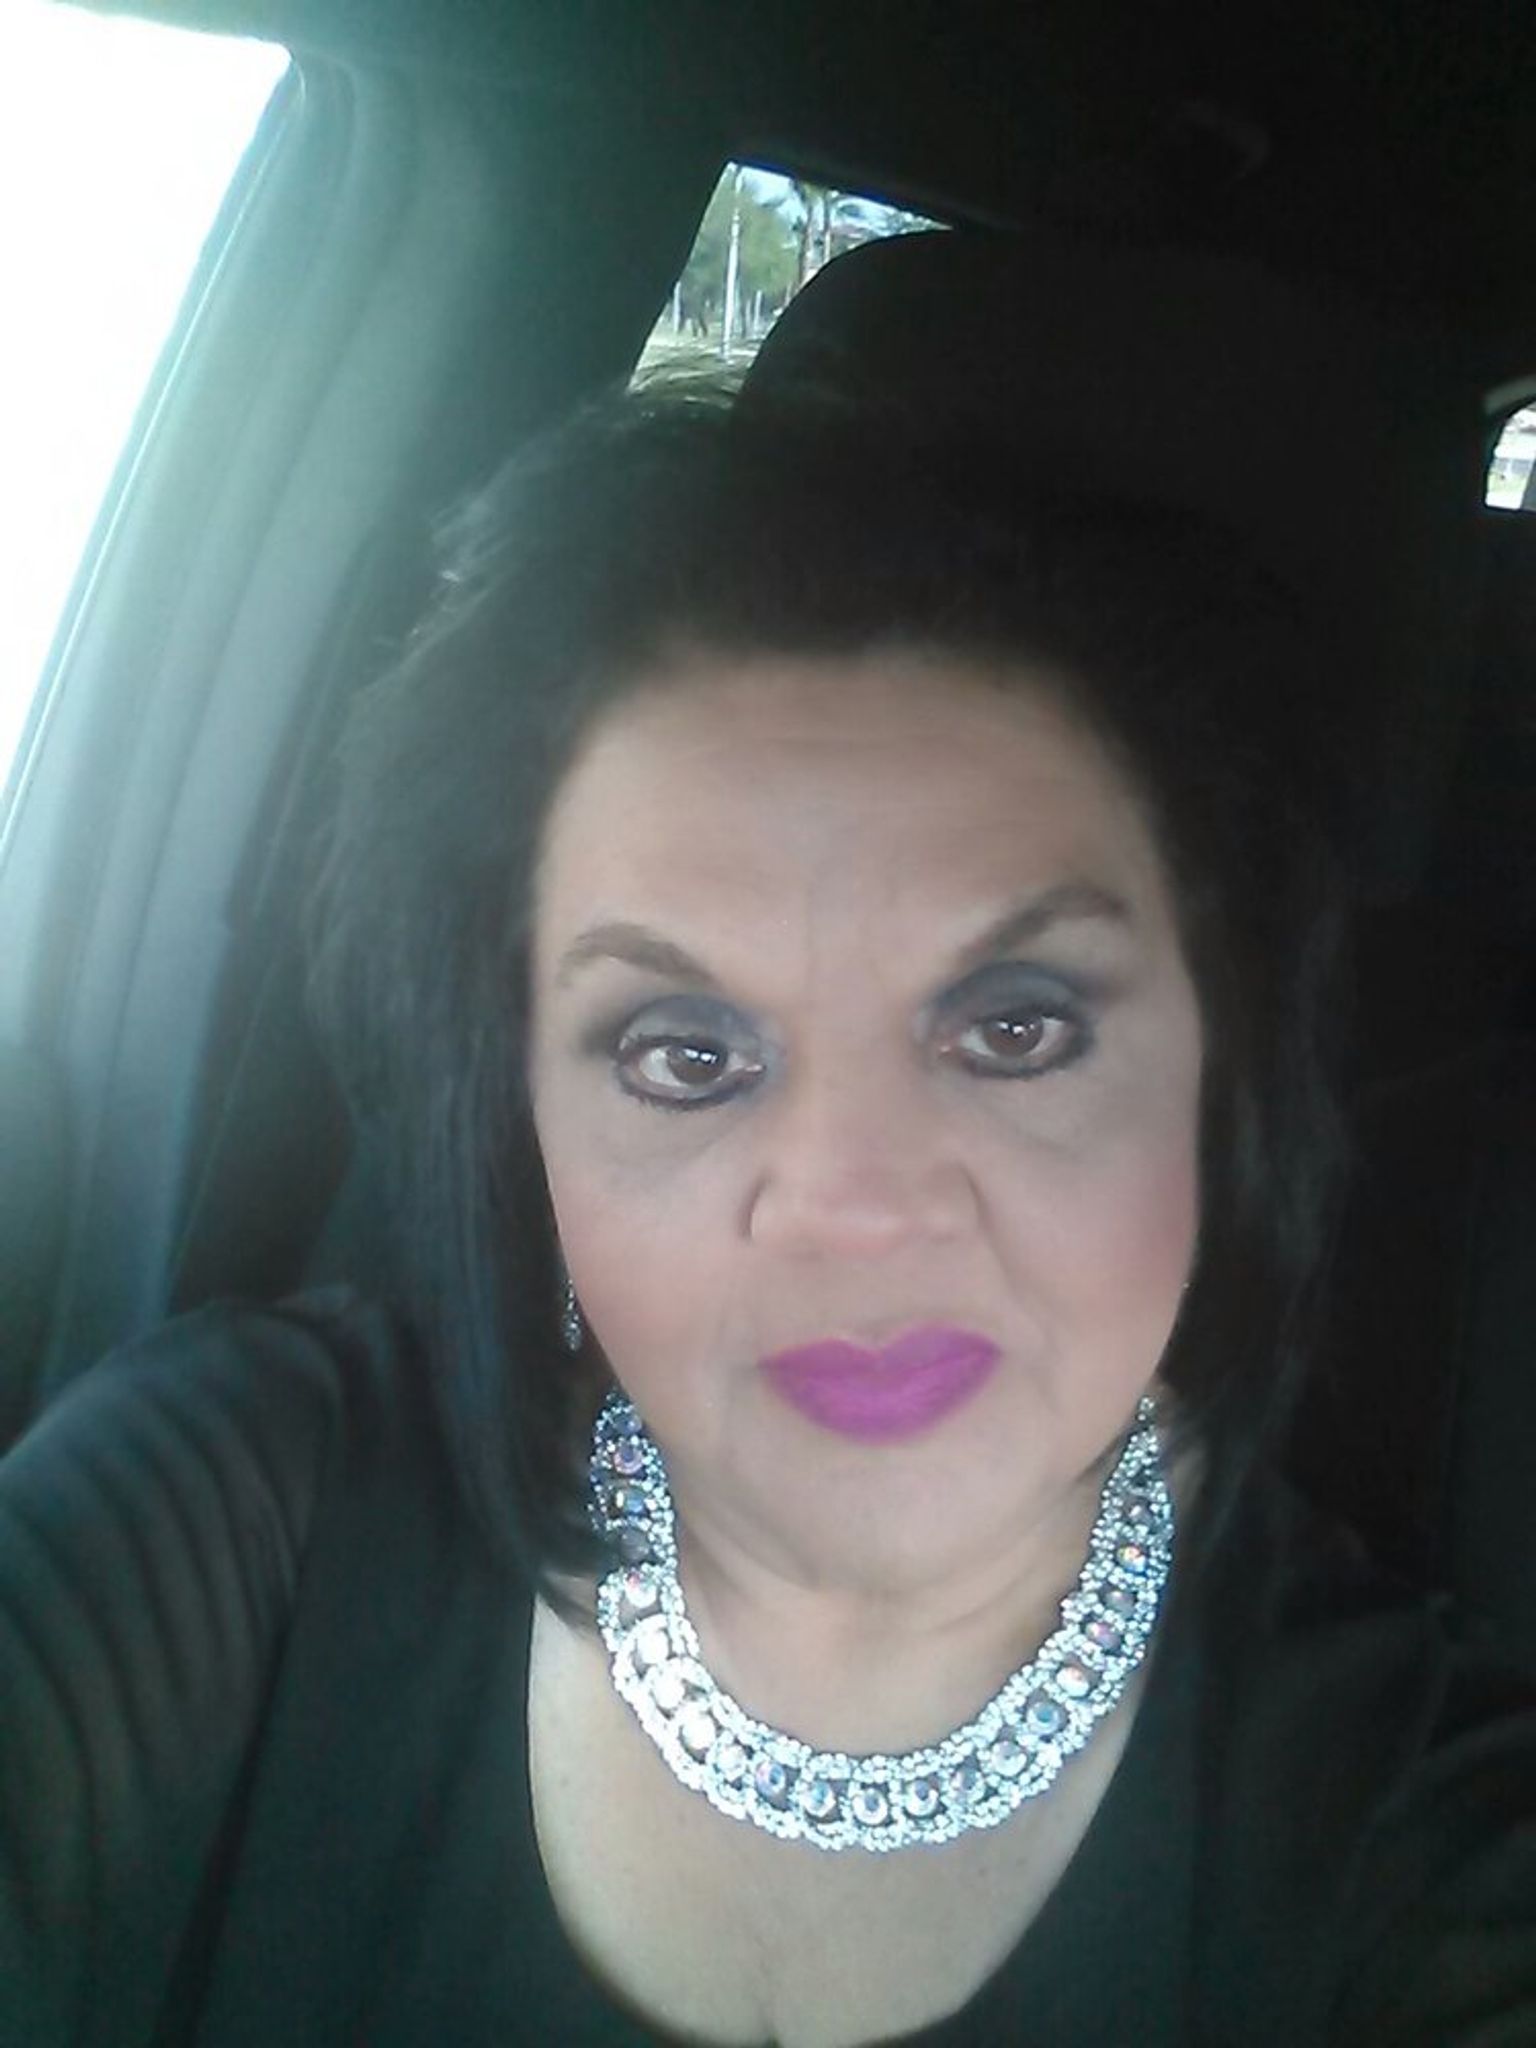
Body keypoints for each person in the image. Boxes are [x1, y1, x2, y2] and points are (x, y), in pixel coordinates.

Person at [2, 387, 1533, 2048]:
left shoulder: (1420, 1826)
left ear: (1217, 1084)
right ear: (527, 1133)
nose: (852, 1213)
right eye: (684, 1055)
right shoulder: (233, 1514)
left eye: (1017, 1027)